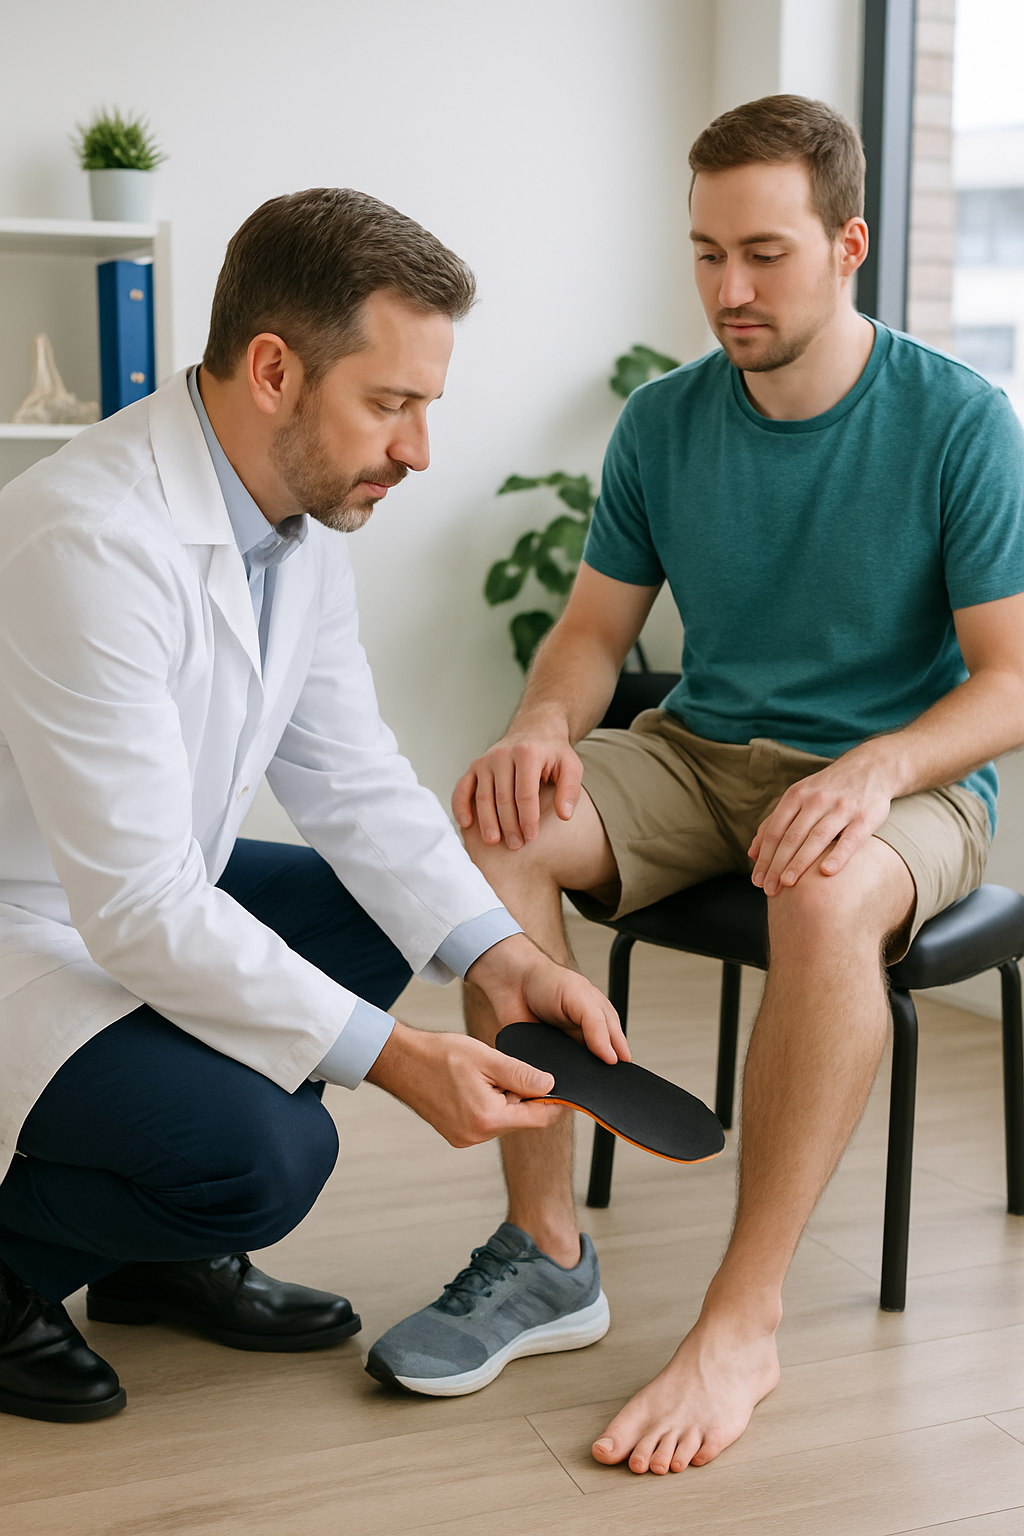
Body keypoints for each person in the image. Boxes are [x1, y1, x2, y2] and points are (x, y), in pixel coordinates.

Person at [367, 96, 1024, 1473]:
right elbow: (596, 635)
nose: (729, 289)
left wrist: (876, 768)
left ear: (849, 244)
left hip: (900, 782)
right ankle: (546, 1247)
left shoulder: (961, 422)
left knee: (829, 882)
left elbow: (1009, 680)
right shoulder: (664, 424)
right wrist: (543, 721)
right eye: (707, 252)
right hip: (706, 753)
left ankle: (744, 1319)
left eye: (766, 254)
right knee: (498, 826)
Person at [0, 188, 626, 1424]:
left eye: (423, 407)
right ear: (275, 370)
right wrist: (399, 1061)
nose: (417, 451)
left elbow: (347, 772)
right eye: (390, 404)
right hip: (36, 916)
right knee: (268, 1156)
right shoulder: (85, 539)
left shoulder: (294, 521)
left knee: (375, 909)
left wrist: (495, 962)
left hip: (133, 892)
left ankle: (152, 1257)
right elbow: (135, 907)